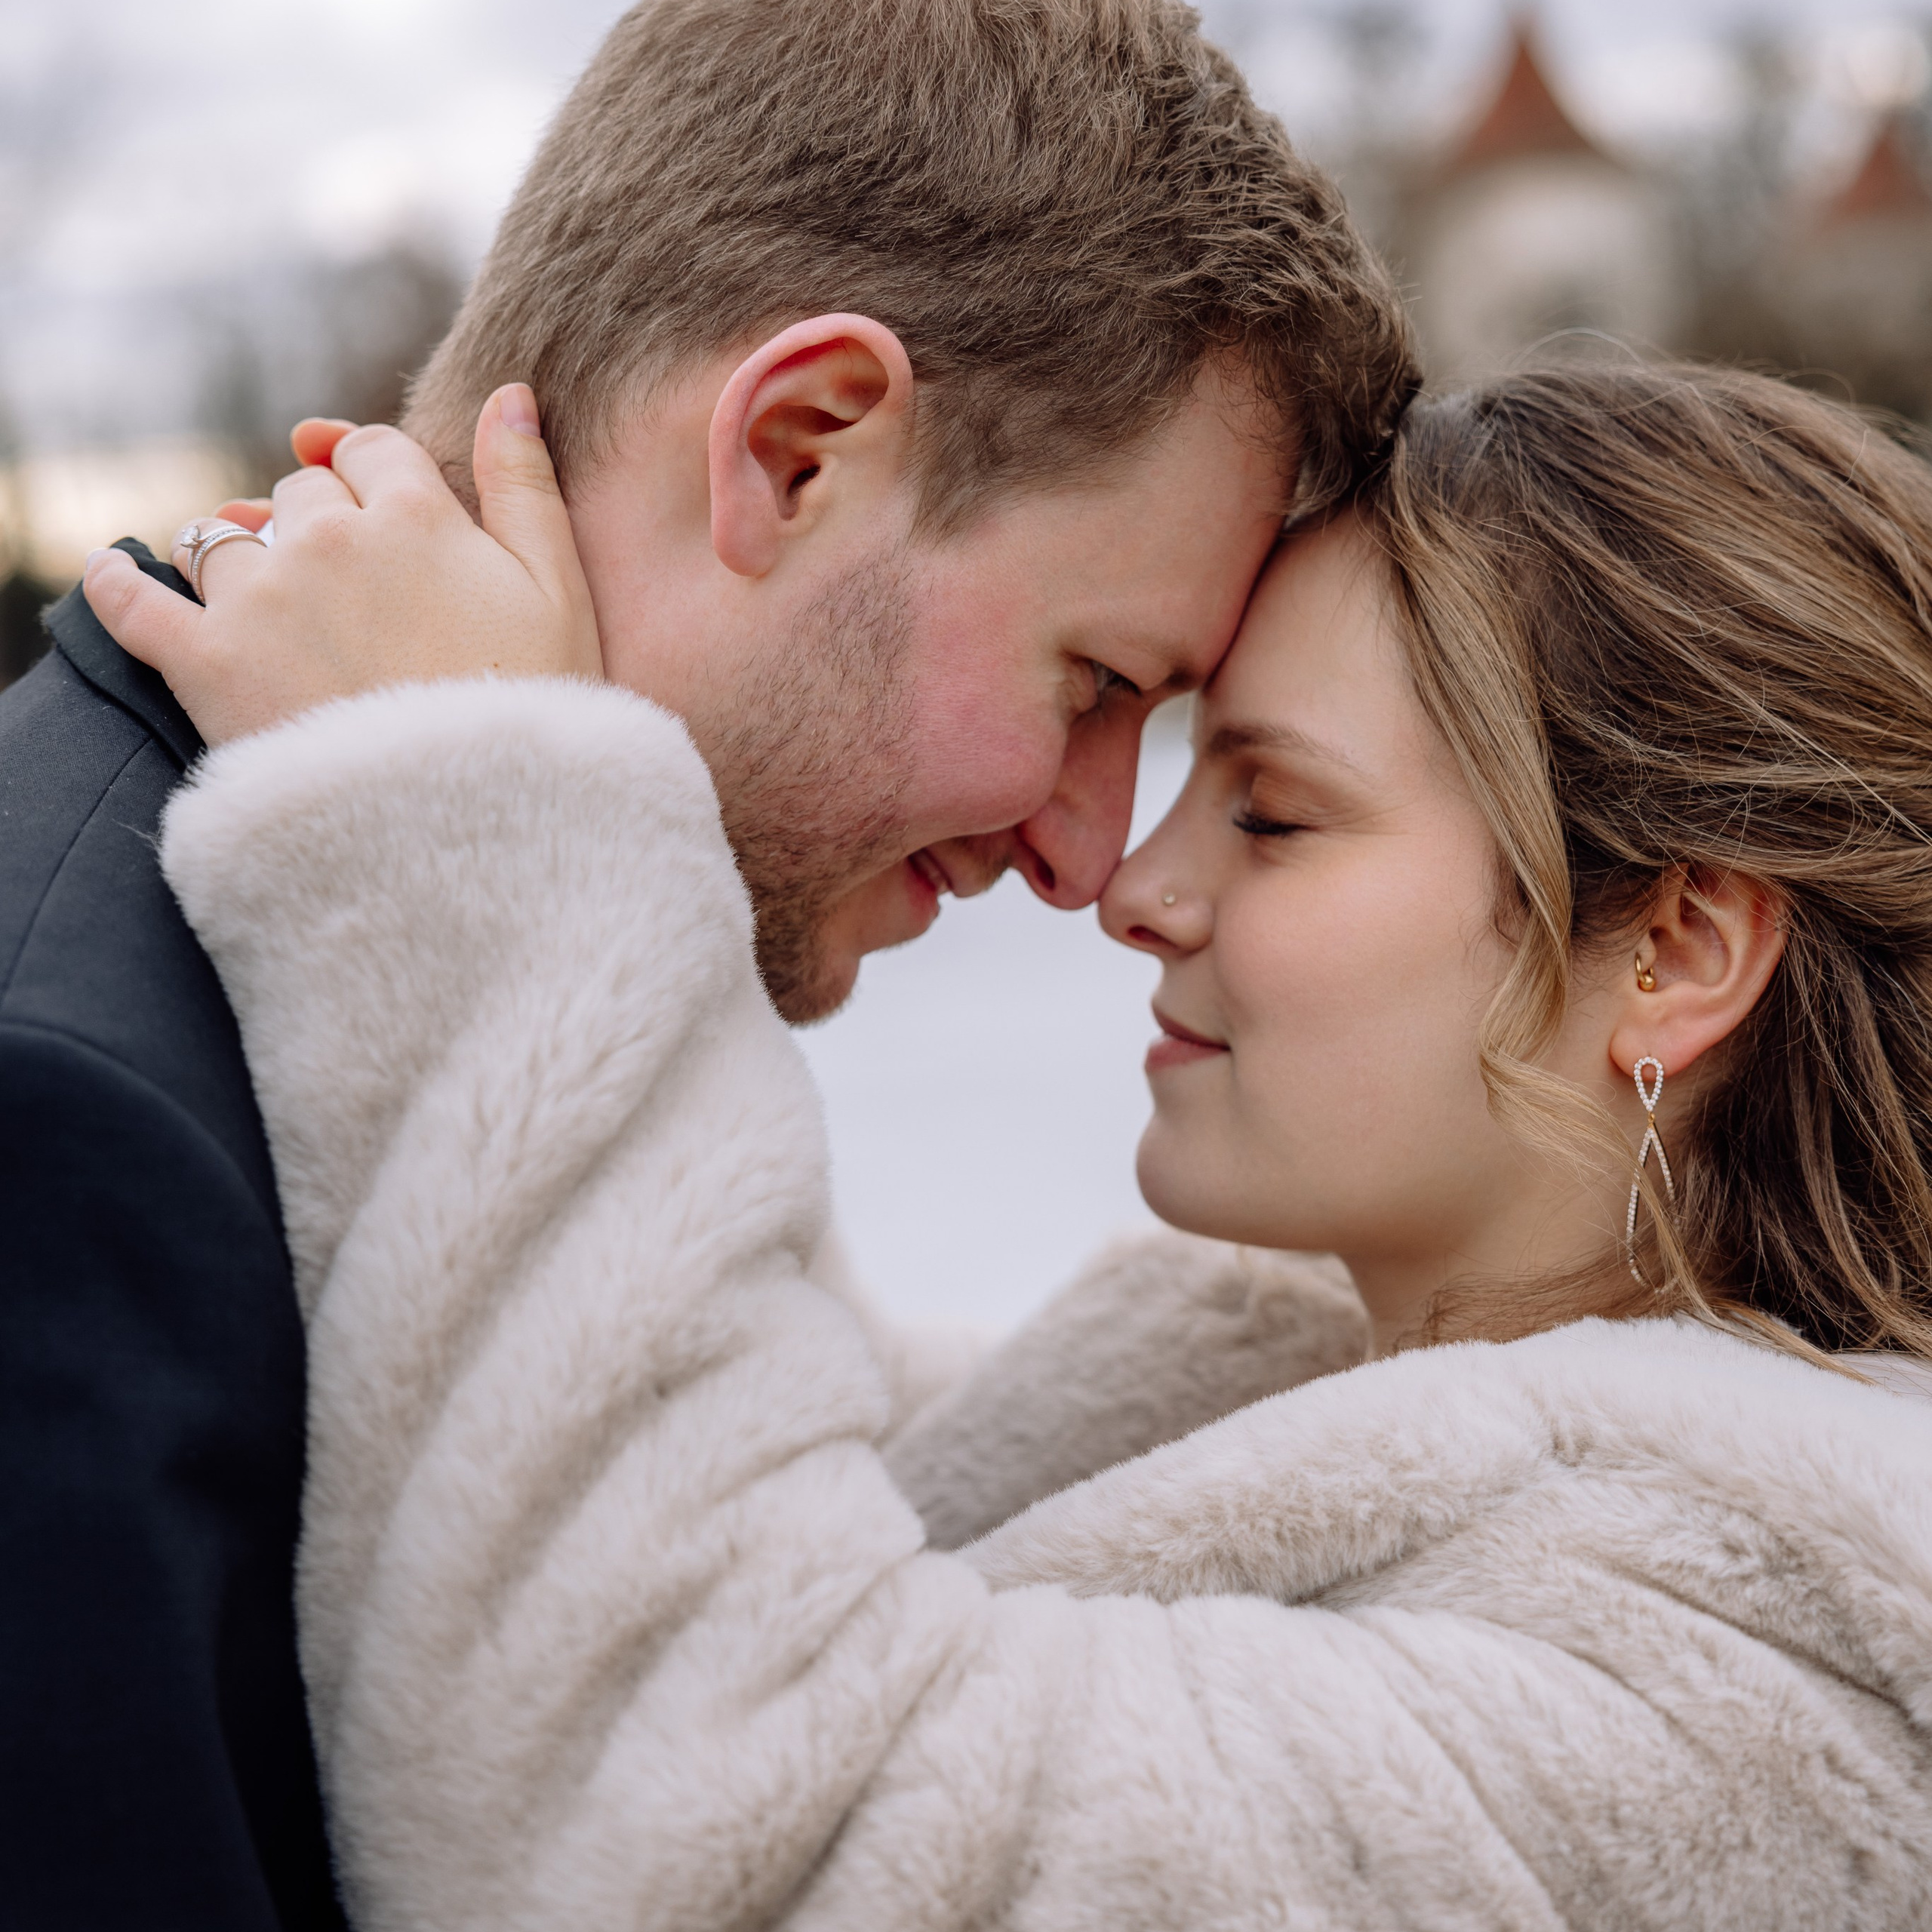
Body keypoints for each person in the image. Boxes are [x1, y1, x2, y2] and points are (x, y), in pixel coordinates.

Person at [97, 358, 1932, 1926]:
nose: (1130, 883)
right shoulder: (1264, 1383)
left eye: (1272, 813)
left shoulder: (1760, 1706)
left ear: (1672, 948)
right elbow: (728, 1447)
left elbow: (721, 1847)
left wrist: (469, 824)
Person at [2, 2, 1410, 1923]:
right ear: (797, 449)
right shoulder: (74, 1129)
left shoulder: (436, 998)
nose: (1089, 852)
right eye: (1095, 682)